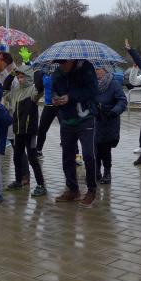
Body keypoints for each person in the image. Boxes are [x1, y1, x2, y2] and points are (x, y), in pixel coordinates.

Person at [50, 59, 99, 207]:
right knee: (67, 156)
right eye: (59, 63)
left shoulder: (86, 68)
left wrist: (70, 97)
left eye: (64, 63)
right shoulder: (57, 72)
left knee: (88, 155)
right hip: (67, 119)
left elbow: (93, 90)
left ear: (72, 60)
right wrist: (55, 98)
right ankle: (72, 189)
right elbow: (54, 90)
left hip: (86, 117)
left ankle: (91, 190)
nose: (62, 66)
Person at [3, 66, 47, 197]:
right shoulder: (15, 92)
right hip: (18, 130)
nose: (19, 79)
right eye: (18, 77)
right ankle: (18, 181)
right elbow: (5, 89)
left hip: (30, 131)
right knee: (17, 156)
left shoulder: (33, 90)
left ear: (28, 77)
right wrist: (11, 74)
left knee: (32, 158)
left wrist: (37, 71)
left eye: (22, 77)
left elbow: (40, 88)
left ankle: (41, 185)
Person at [94, 66, 128, 185]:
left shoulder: (113, 83)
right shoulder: (90, 83)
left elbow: (122, 100)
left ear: (106, 70)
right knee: (94, 148)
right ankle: (96, 171)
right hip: (94, 120)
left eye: (99, 68)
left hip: (108, 120)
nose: (97, 71)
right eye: (95, 69)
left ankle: (107, 173)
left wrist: (114, 111)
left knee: (105, 148)